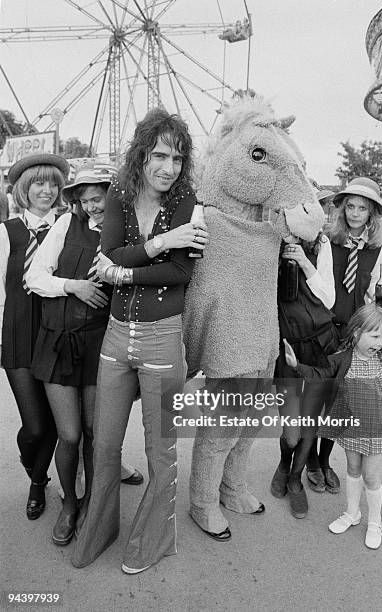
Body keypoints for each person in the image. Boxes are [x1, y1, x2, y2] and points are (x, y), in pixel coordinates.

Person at [72, 109, 208, 574]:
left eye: (177, 157)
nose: (169, 167)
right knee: (105, 444)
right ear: (142, 154)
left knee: (161, 449)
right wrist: (160, 241)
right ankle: (99, 529)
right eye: (160, 155)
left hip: (162, 341)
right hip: (114, 340)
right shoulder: (119, 193)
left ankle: (152, 540)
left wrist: (123, 273)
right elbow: (108, 252)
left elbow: (181, 272)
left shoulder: (189, 199)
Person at [27, 161, 140, 545]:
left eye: (99, 197)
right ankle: (70, 504)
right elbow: (34, 277)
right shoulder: (64, 225)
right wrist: (73, 286)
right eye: (86, 199)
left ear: (113, 196)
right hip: (58, 342)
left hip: (99, 346)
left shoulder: (124, 234)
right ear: (76, 200)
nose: (93, 205)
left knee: (95, 433)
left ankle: (93, 503)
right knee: (70, 434)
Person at [285, 304, 382, 549]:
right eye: (375, 336)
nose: (380, 342)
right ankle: (352, 513)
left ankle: (374, 522)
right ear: (356, 333)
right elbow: (319, 375)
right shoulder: (341, 360)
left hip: (376, 429)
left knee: (371, 476)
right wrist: (296, 366)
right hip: (351, 428)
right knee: (352, 468)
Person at [306, 177, 382, 494]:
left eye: (362, 208)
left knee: (339, 403)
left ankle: (325, 460)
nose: (355, 213)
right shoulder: (327, 240)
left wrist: (375, 336)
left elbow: (371, 294)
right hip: (324, 328)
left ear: (371, 214)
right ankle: (309, 460)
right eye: (350, 206)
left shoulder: (377, 249)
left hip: (353, 334)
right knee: (315, 397)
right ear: (341, 209)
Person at [0, 153, 69, 520]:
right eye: (38, 183)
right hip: (17, 334)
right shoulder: (7, 231)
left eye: (53, 183)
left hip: (57, 336)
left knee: (58, 422)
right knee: (34, 425)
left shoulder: (69, 225)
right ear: (24, 190)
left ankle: (37, 482)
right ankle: (31, 458)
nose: (46, 190)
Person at [270, 234, 339, 518]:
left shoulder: (320, 244)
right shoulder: (269, 239)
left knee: (309, 423)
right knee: (291, 430)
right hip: (286, 348)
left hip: (320, 346)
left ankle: (295, 478)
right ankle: (284, 462)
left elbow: (329, 299)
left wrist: (303, 262)